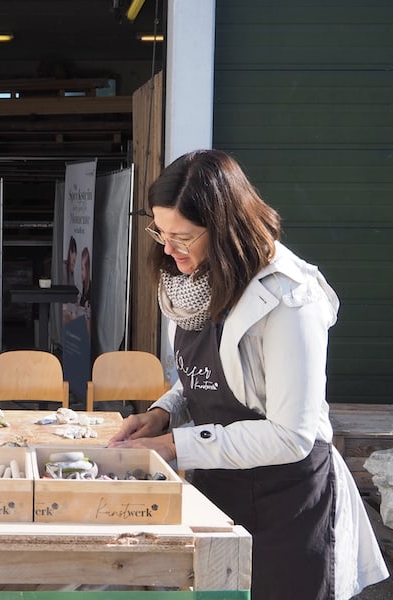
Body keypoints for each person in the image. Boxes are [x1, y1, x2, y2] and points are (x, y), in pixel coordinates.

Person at [108, 149, 388, 600]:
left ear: (224, 229)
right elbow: (215, 374)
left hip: (288, 502)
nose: (167, 248)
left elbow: (290, 435)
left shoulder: (290, 299)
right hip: (220, 482)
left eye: (182, 237)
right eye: (160, 232)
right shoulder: (200, 282)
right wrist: (163, 412)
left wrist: (174, 445)